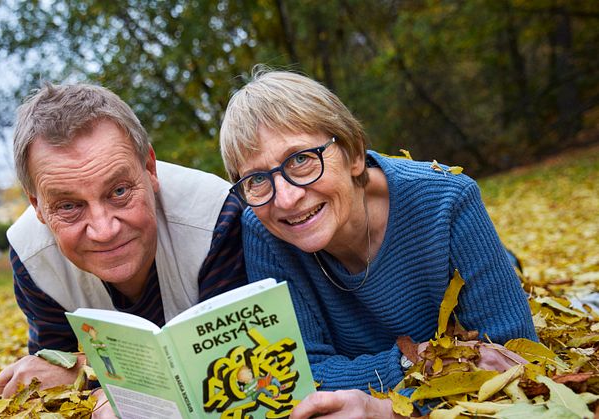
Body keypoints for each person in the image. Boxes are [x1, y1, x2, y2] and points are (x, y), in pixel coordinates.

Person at [219, 69, 538, 418]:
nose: (286, 198)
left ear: (354, 154)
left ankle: (508, 264)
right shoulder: (262, 228)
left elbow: (511, 359)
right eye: (256, 179)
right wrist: (414, 359)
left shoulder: (447, 199)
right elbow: (296, 375)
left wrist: (386, 410)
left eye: (301, 159)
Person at [0, 83, 247, 417]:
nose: (104, 230)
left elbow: (238, 366)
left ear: (150, 168)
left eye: (118, 191)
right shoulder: (31, 254)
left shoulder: (216, 215)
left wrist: (86, 374)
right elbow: (53, 376)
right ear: (38, 207)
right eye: (69, 206)